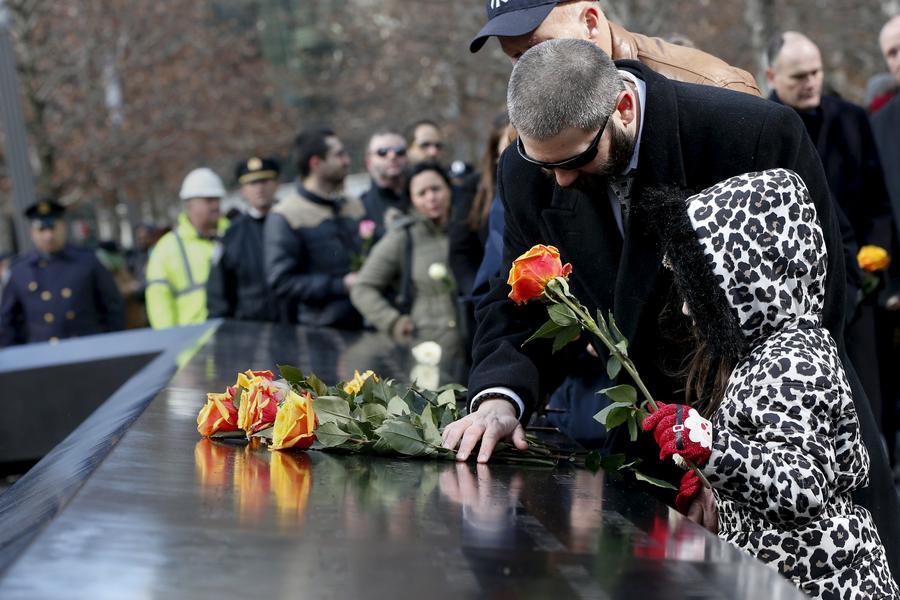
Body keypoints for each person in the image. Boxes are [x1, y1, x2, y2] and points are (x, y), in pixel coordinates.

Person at [439, 39, 900, 577]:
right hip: (651, 450)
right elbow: (522, 297)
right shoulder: (528, 169)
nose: (560, 180)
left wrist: (719, 465)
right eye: (545, 166)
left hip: (777, 450)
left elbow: (808, 306)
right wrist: (502, 395)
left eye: (576, 159)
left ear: (624, 109)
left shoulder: (748, 134)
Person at [641, 169, 898, 599]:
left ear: (749, 283)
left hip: (822, 585)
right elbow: (767, 459)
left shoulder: (794, 362)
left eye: (704, 292)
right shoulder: (766, 354)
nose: (688, 308)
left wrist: (711, 447)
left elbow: (801, 487)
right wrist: (712, 487)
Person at [767, 31, 894, 420]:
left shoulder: (852, 120)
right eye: (798, 77)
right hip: (796, 304)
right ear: (772, 76)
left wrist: (874, 258)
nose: (811, 83)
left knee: (869, 404)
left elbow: (879, 202)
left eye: (816, 72)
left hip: (859, 285)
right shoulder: (763, 128)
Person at [469, 0, 760, 95]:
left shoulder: (714, 89)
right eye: (517, 56)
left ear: (591, 24)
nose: (529, 70)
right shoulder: (528, 121)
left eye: (541, 49)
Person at [350, 162, 463, 376]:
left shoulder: (467, 226)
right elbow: (362, 287)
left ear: (448, 189)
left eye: (436, 189)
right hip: (428, 350)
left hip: (472, 345)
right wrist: (395, 322)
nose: (431, 198)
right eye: (422, 193)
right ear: (412, 199)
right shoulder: (404, 236)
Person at [264, 128, 364, 328]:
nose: (347, 161)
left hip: (365, 321)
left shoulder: (353, 206)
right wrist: (340, 285)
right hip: (321, 330)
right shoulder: (286, 215)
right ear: (316, 163)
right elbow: (282, 282)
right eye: (339, 155)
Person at [0, 200, 123, 345]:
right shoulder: (20, 269)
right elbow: (8, 321)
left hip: (86, 349)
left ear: (63, 227)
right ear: (32, 233)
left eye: (53, 228)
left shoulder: (88, 262)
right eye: (42, 230)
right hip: (41, 353)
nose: (49, 236)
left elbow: (113, 308)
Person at [145, 167, 229, 328]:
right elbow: (159, 302)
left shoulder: (232, 236)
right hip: (191, 343)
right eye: (208, 200)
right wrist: (171, 342)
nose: (215, 205)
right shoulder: (166, 249)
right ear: (189, 205)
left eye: (217, 199)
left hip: (238, 336)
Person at [206, 157, 281, 322]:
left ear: (277, 184)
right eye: (252, 183)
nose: (259, 188)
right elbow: (218, 293)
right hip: (252, 329)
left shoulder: (295, 222)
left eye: (265, 181)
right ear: (243, 190)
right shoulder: (232, 235)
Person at [360, 130, 410, 240]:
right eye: (382, 152)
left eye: (399, 151)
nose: (392, 156)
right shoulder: (360, 208)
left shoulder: (423, 198)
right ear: (368, 162)